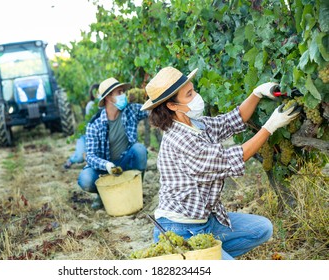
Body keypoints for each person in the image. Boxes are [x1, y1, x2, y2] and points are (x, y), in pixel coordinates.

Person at [140, 66, 300, 260]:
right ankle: (191, 261)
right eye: (189, 94)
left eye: (194, 90)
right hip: (180, 229)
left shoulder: (194, 124)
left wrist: (257, 93)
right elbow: (233, 158)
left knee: (262, 229)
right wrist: (270, 126)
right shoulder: (180, 140)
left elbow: (231, 121)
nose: (197, 96)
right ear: (172, 106)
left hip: (207, 221)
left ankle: (207, 259)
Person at [77, 77, 149, 209]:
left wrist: (148, 94)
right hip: (104, 169)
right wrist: (107, 165)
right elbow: (90, 156)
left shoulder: (130, 110)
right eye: (120, 92)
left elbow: (150, 109)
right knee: (85, 179)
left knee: (139, 149)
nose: (124, 95)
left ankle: (135, 190)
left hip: (125, 162)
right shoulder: (95, 124)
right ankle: (103, 194)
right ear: (108, 98)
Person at [63, 84, 99, 169]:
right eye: (96, 93)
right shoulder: (91, 105)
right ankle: (70, 160)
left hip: (96, 136)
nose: (98, 94)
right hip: (86, 135)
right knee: (79, 157)